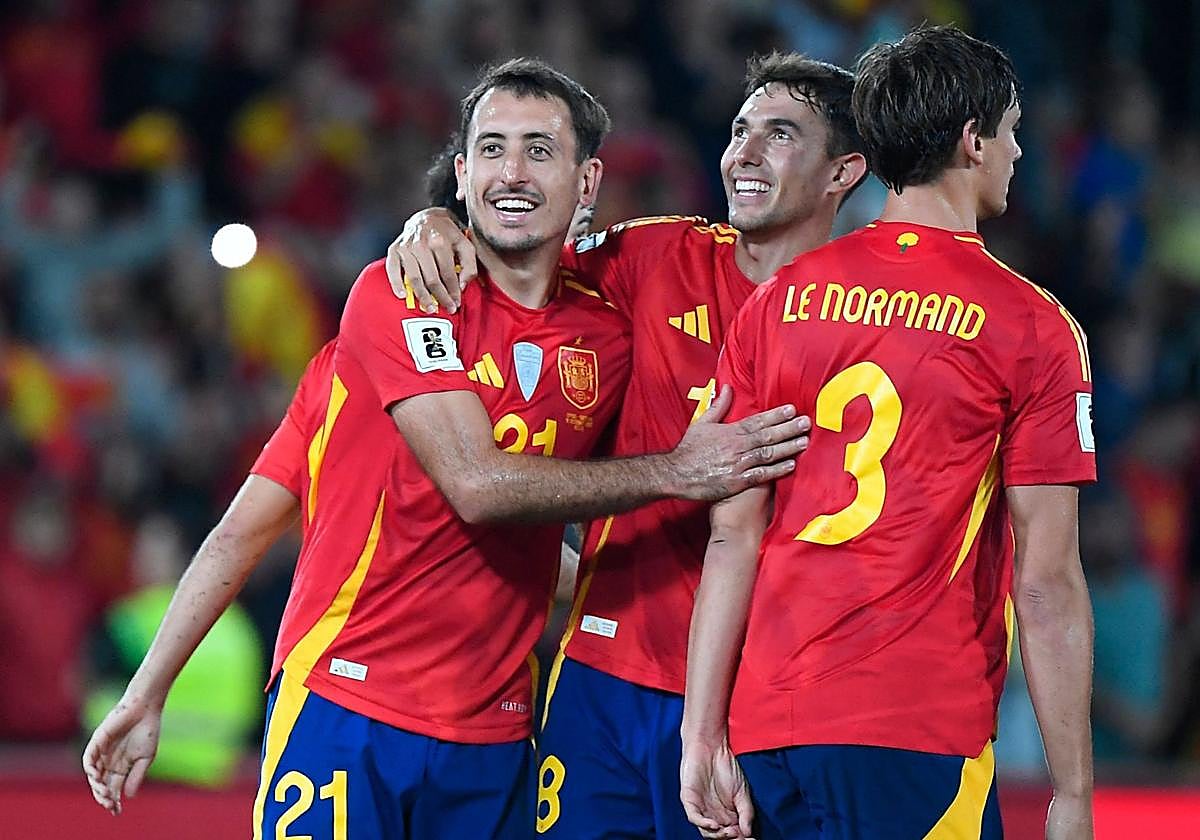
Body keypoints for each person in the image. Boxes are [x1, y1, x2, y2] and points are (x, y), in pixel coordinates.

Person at [82, 58, 807, 840]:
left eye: (538, 150)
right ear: (460, 174)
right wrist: (146, 691)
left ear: (586, 182)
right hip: (349, 707)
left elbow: (533, 525)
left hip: (497, 734)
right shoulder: (402, 294)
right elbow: (449, 490)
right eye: (490, 150)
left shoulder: (606, 328)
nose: (512, 172)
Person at [387, 53, 867, 838]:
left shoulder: (862, 316)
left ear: (844, 170)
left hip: (756, 700)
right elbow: (514, 250)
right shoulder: (653, 256)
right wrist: (436, 217)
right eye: (740, 130)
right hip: (600, 681)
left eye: (779, 136)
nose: (742, 154)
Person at [680, 25, 1096, 840]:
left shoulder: (780, 301)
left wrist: (702, 732)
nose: (1018, 153)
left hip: (771, 730)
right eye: (1011, 132)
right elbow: (1045, 585)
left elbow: (733, 536)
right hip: (913, 726)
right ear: (973, 141)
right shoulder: (1031, 327)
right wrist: (1072, 792)